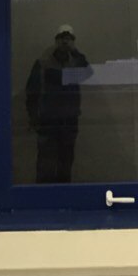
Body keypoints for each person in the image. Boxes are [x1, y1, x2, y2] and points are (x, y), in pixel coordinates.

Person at [25, 25, 92, 183]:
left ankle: (63, 195)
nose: (65, 42)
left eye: (68, 39)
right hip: (47, 123)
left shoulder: (75, 64)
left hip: (68, 123)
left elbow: (88, 73)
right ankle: (43, 197)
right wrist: (34, 118)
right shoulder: (43, 64)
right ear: (56, 41)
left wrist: (75, 52)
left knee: (65, 166)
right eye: (62, 39)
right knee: (45, 167)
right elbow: (32, 93)